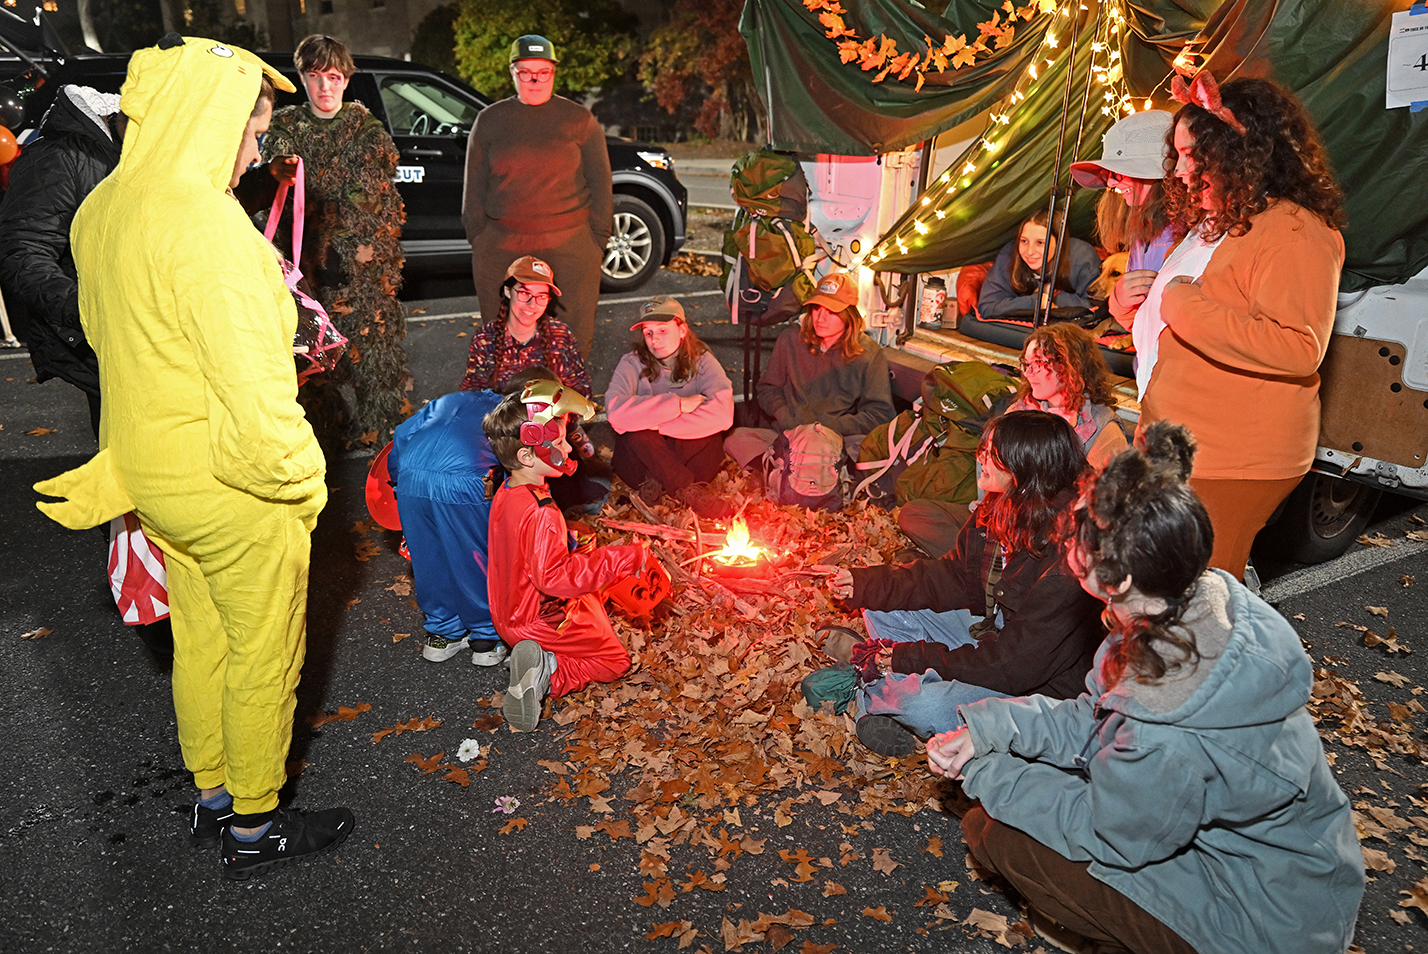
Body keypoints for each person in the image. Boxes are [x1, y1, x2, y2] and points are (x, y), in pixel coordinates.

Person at [35, 36, 351, 880]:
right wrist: (304, 484)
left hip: (150, 477)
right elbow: (254, 395)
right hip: (232, 482)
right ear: (206, 119)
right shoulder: (209, 228)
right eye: (251, 128)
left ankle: (211, 796)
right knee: (263, 652)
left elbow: (109, 343)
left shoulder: (104, 208)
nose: (258, 149)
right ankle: (254, 826)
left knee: (202, 642)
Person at [928, 422, 1364, 954]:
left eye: (1079, 540)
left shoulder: (1169, 717)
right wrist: (990, 729)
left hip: (1265, 926)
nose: (1069, 544)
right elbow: (1092, 719)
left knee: (999, 834)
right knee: (1025, 789)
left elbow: (1107, 832)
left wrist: (982, 770)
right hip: (1280, 875)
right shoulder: (1178, 609)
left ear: (1123, 580)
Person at [1141, 73, 1345, 580]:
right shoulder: (1232, 217)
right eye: (1180, 153)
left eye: (1195, 154)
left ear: (1239, 148)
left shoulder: (1297, 229)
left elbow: (1297, 346)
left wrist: (1181, 305)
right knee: (1173, 586)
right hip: (1185, 445)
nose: (1183, 169)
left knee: (1201, 594)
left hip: (1233, 459)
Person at [826, 411, 1103, 757]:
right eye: (983, 449)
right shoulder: (999, 505)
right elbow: (952, 577)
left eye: (991, 453)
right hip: (993, 636)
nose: (980, 458)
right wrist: (866, 582)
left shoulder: (1068, 556)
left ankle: (880, 694)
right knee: (881, 606)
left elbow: (1011, 666)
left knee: (925, 705)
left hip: (1035, 689)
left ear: (1024, 466)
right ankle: (896, 683)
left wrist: (909, 657)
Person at [257, 34, 411, 447]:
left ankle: (386, 452)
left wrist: (330, 218)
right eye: (314, 76)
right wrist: (278, 172)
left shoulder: (366, 129)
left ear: (346, 79)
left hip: (361, 278)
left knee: (376, 367)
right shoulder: (285, 127)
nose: (325, 87)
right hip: (306, 278)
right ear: (302, 78)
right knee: (310, 368)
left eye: (333, 76)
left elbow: (371, 198)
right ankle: (320, 445)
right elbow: (271, 186)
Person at [483, 381, 647, 732]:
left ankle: (541, 658)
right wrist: (618, 559)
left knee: (592, 598)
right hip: (538, 619)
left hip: (506, 610)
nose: (565, 447)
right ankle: (549, 670)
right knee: (614, 660)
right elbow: (554, 579)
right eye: (556, 443)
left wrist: (566, 541)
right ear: (527, 456)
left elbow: (520, 550)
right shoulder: (543, 511)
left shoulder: (509, 490)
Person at [899, 324, 1128, 559]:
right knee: (915, 515)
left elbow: (1104, 512)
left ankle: (986, 568)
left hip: (1048, 539)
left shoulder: (1101, 429)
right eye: (1026, 365)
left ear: (1068, 366)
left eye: (1037, 365)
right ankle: (980, 563)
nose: (1028, 374)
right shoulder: (1019, 410)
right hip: (999, 519)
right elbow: (986, 487)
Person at [462, 34, 612, 355]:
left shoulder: (579, 121)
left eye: (543, 72)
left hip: (570, 244)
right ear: (513, 73)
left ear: (553, 73)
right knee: (505, 341)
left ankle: (567, 402)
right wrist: (480, 237)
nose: (534, 80)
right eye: (525, 72)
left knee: (571, 341)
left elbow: (601, 185)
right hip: (503, 244)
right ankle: (514, 404)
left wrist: (596, 240)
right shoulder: (489, 121)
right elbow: (473, 188)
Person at [0, 85, 124, 438]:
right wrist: (86, 310)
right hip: (100, 337)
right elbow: (23, 250)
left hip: (149, 335)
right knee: (128, 461)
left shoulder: (148, 154)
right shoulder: (57, 157)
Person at [460, 256, 607, 515]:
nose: (532, 305)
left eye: (542, 297)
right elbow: (471, 393)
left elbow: (582, 388)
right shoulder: (486, 339)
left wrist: (558, 408)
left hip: (552, 434)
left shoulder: (561, 335)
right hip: (508, 438)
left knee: (569, 487)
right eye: (525, 294)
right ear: (507, 291)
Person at [387, 387, 508, 668]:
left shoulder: (452, 398)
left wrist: (398, 479)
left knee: (428, 556)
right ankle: (485, 638)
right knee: (472, 554)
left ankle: (442, 633)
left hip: (411, 477)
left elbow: (403, 433)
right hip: (464, 482)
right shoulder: (512, 411)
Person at [724, 272, 894, 471]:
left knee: (866, 453)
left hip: (836, 438)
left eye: (831, 311)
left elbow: (880, 414)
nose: (820, 318)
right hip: (788, 433)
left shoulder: (869, 354)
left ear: (849, 315)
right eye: (816, 308)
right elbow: (767, 389)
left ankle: (798, 471)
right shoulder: (790, 339)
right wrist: (786, 416)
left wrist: (832, 426)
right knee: (736, 440)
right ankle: (789, 470)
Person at [606, 296, 734, 520]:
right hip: (639, 467)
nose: (655, 340)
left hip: (676, 465)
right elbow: (616, 414)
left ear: (682, 330)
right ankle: (685, 490)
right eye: (648, 332)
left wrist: (650, 423)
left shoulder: (701, 360)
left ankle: (660, 481)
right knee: (638, 437)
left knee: (643, 432)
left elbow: (724, 414)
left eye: (663, 330)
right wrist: (677, 405)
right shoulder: (632, 362)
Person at [1069, 109, 1175, 333]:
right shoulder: (1142, 234)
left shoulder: (1193, 233)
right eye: (1109, 173)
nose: (1110, 182)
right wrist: (1120, 301)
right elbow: (1140, 329)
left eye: (1119, 172)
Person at [978, 207, 1102, 320]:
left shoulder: (1083, 257)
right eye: (1024, 241)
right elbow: (987, 307)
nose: (1029, 252)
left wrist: (1053, 298)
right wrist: (1037, 301)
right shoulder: (1009, 255)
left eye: (1040, 243)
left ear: (1060, 242)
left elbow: (1098, 307)